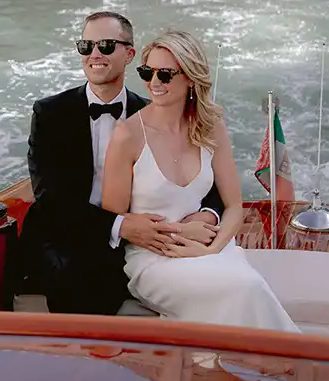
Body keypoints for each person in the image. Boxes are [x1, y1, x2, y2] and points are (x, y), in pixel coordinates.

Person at [17, 11, 224, 315]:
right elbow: (52, 202)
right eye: (86, 46)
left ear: (129, 55)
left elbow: (211, 186)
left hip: (146, 237)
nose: (95, 54)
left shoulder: (154, 113)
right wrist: (122, 226)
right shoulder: (51, 114)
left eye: (106, 45)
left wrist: (205, 218)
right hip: (69, 233)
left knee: (214, 282)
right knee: (77, 279)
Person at [103, 29, 299, 332]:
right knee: (245, 288)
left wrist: (211, 247)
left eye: (165, 74)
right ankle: (280, 367)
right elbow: (112, 217)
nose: (154, 82)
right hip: (155, 257)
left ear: (190, 78)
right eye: (147, 72)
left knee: (249, 285)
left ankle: (251, 367)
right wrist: (180, 232)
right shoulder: (127, 135)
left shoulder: (211, 126)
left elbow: (234, 205)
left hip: (211, 245)